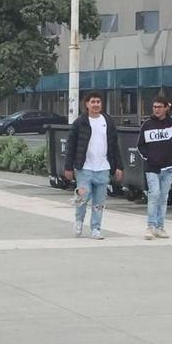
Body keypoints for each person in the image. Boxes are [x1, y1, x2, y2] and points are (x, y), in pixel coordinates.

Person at [63, 94, 116, 240]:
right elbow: (71, 146)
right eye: (92, 102)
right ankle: (79, 220)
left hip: (103, 167)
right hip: (84, 167)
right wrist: (68, 167)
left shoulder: (108, 121)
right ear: (86, 104)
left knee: (99, 201)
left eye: (98, 102)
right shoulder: (80, 122)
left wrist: (118, 166)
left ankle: (96, 228)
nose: (96, 104)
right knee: (82, 196)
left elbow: (114, 145)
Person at [137, 94, 172, 239]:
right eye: (154, 107)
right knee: (154, 195)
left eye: (160, 107)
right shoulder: (147, 125)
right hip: (152, 167)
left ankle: (160, 227)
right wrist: (149, 157)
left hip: (168, 167)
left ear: (166, 108)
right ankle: (150, 226)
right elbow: (140, 145)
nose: (156, 109)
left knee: (163, 197)